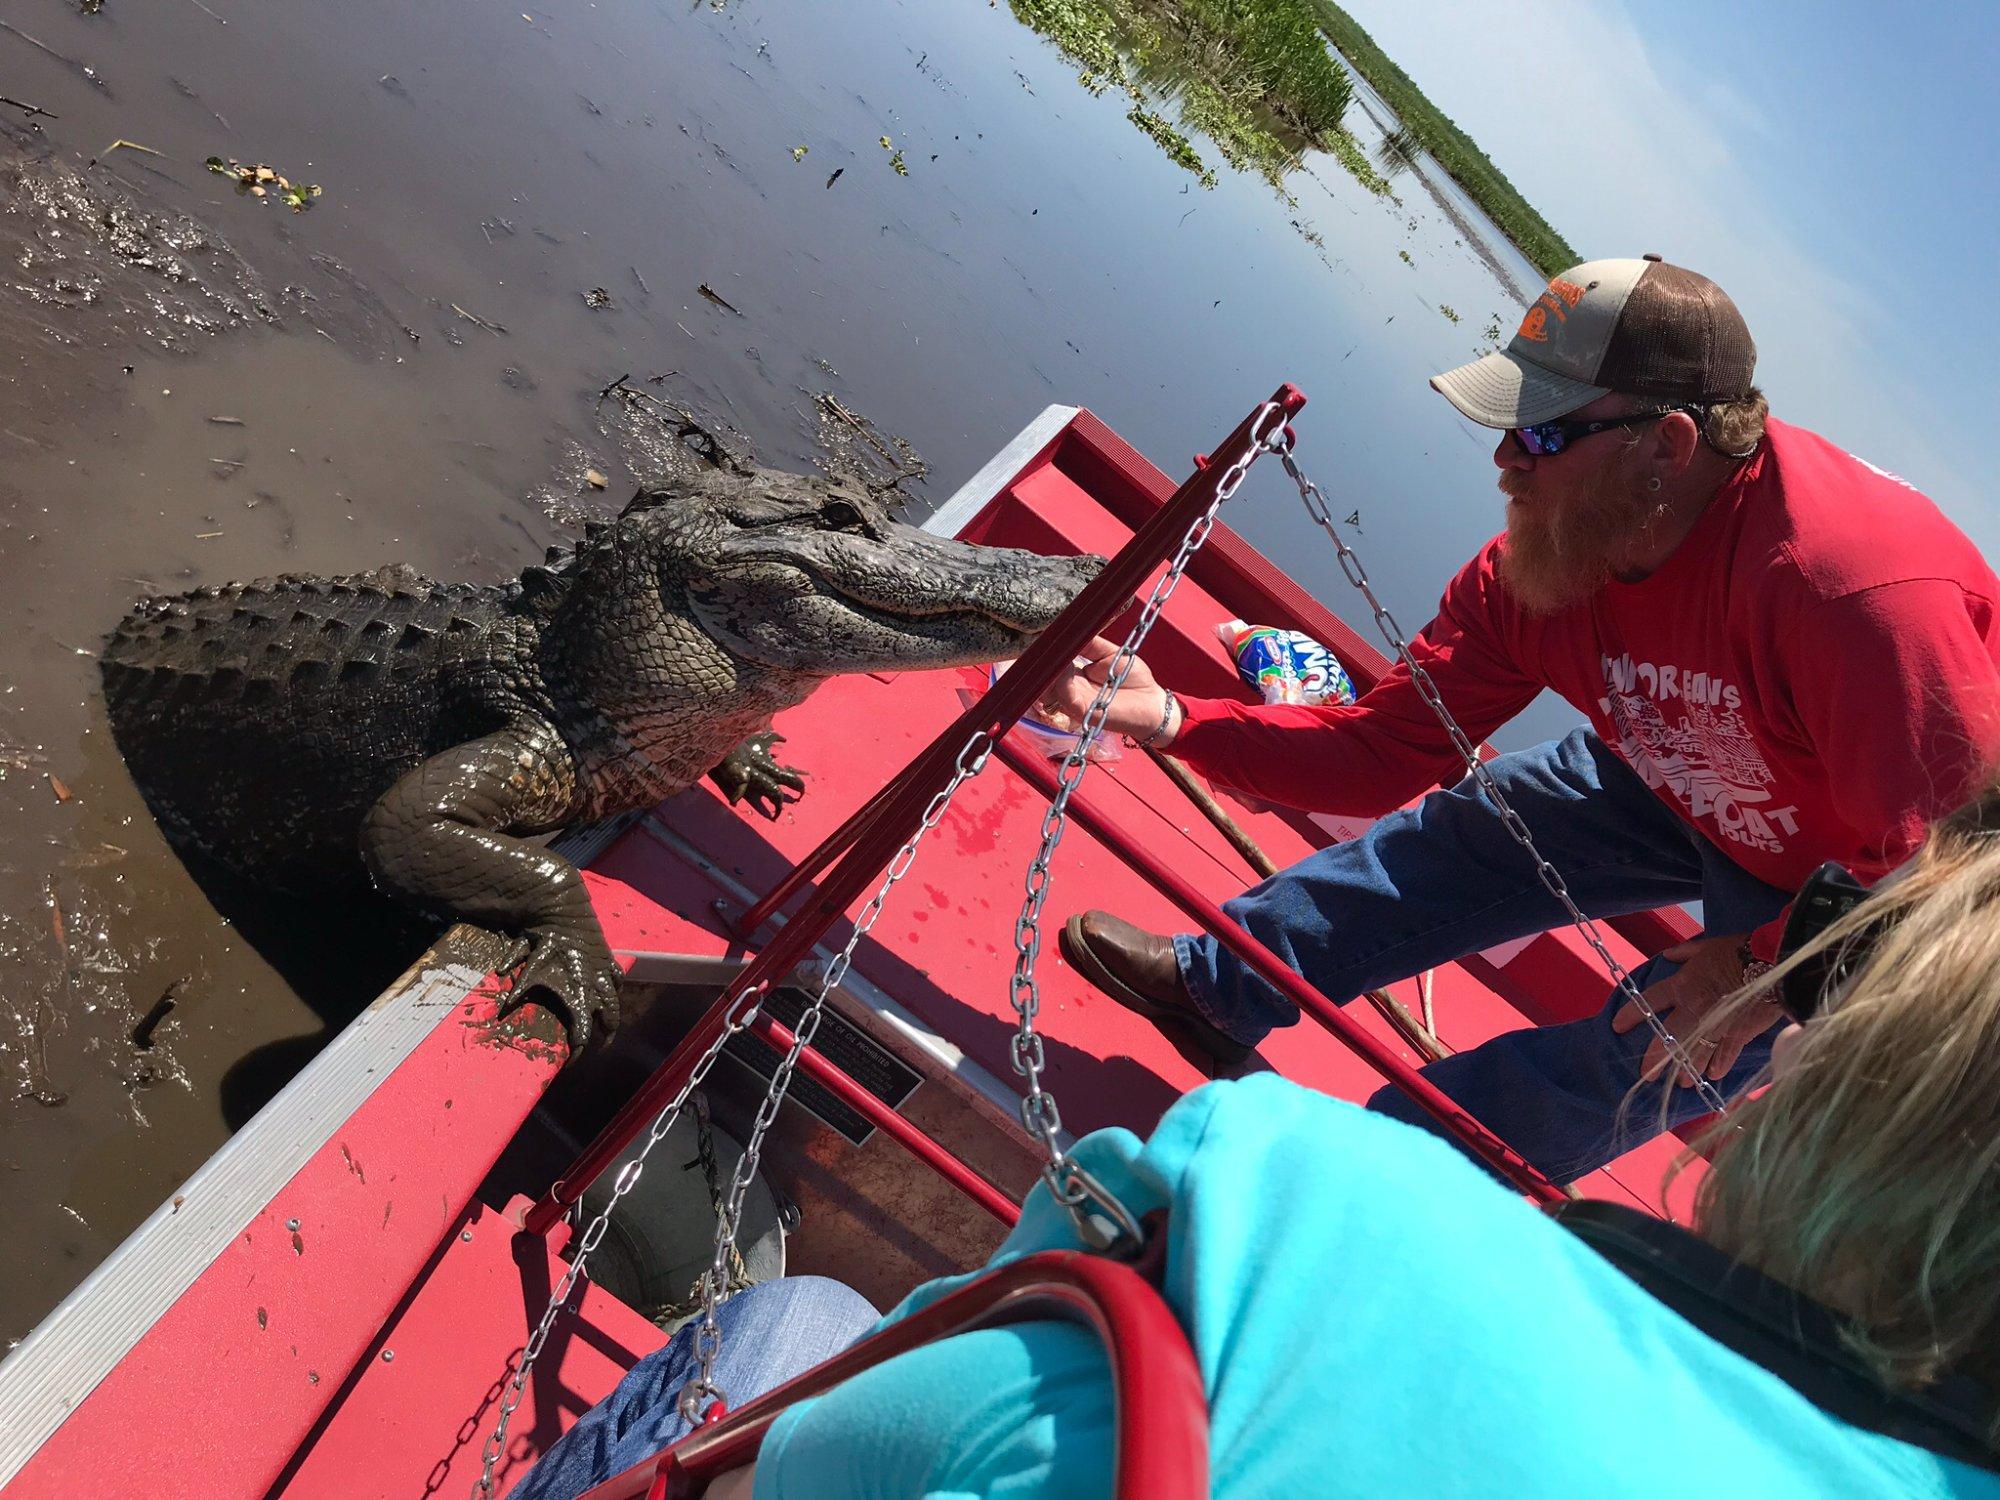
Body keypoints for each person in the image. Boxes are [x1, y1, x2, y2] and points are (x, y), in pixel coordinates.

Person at [514, 785, 2000, 1496]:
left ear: (1899, 1067)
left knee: (799, 1321)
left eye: (1835, 943)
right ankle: (1226, 977)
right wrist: (1187, 728)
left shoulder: (1276, 1218)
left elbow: (803, 1465)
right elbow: (1424, 741)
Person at [1040, 254, 2000, 1183]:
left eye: (1541, 434)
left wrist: (1753, 968)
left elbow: (1956, 877)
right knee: (1481, 823)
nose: (1505, 459)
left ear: (1665, 445)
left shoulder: (1852, 595)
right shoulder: (1549, 567)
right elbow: (1380, 752)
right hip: (1691, 763)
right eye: (1505, 424)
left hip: (1880, 869)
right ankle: (1227, 980)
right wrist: (1169, 718)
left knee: (1664, 1041)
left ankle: (1376, 1174)